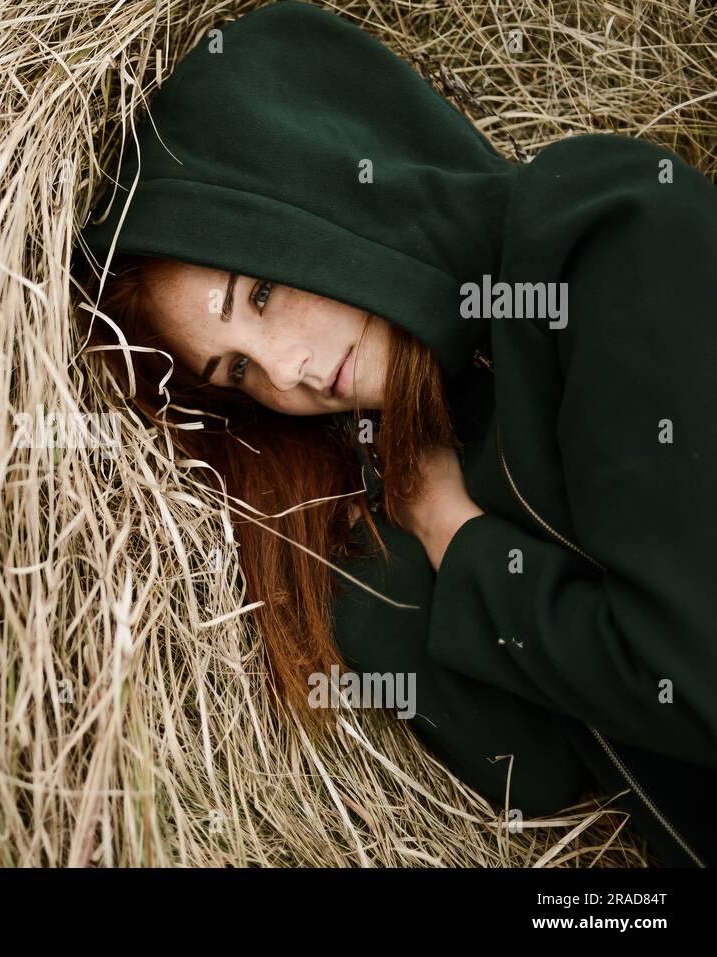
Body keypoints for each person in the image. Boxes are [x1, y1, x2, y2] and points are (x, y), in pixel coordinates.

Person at [74, 0, 717, 866]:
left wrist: (465, 542)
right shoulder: (427, 462)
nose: (286, 373)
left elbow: (694, 680)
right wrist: (390, 564)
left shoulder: (604, 232)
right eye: (236, 371)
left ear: (328, 187)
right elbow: (540, 773)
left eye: (260, 294)